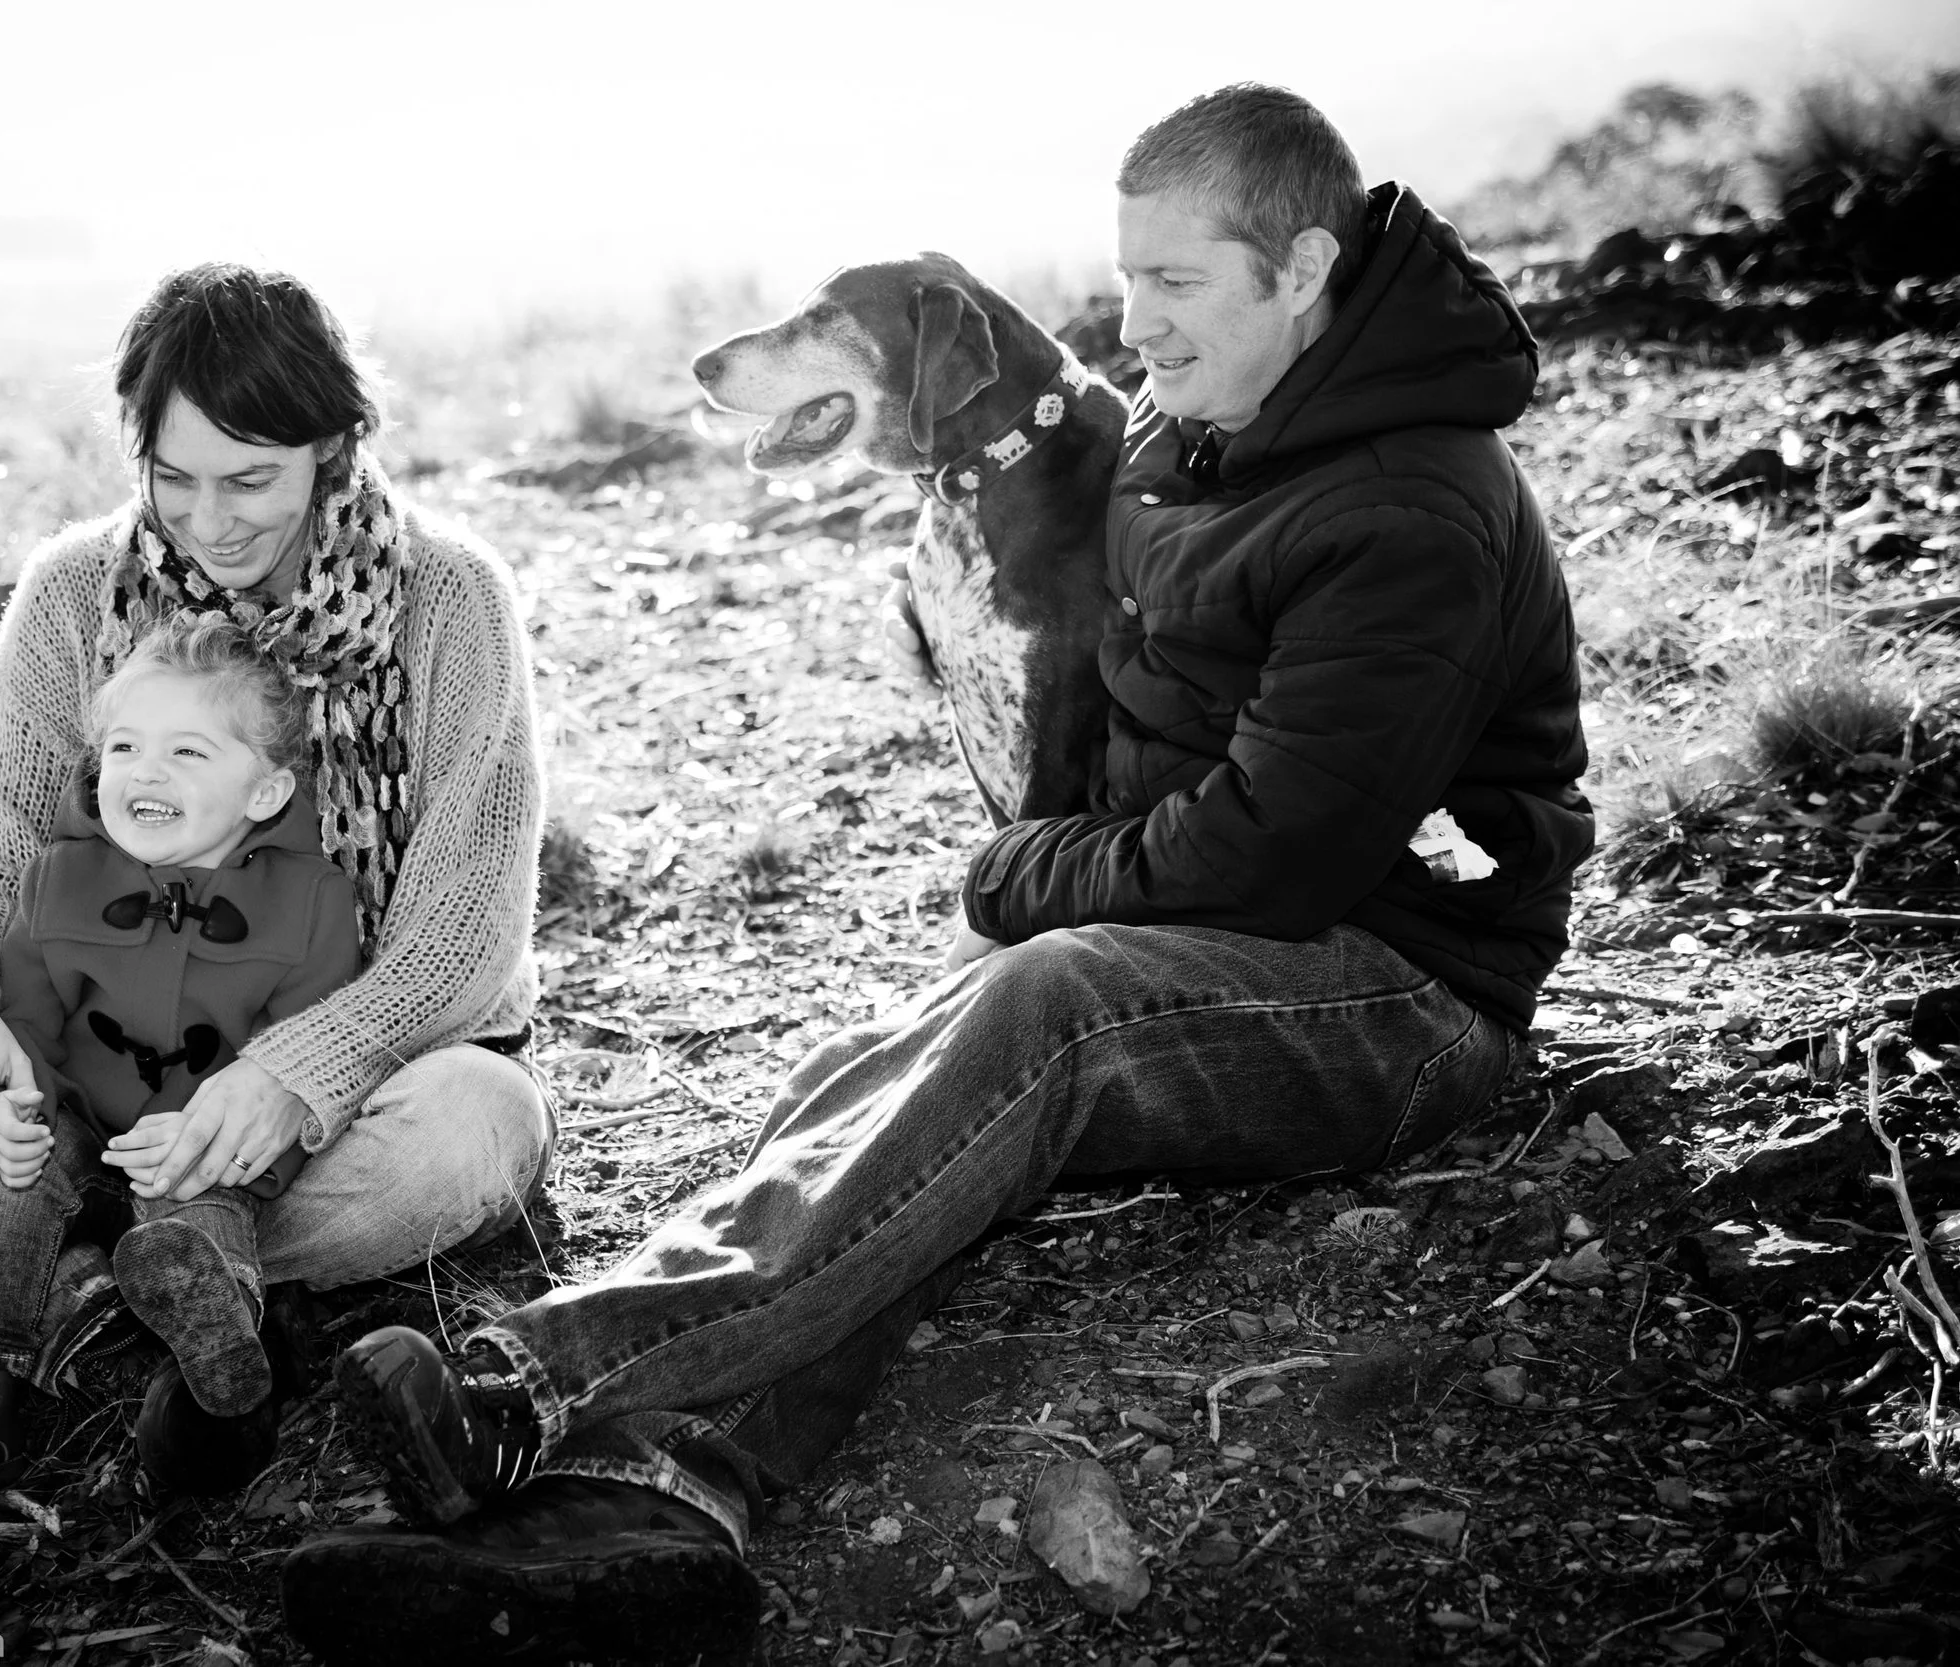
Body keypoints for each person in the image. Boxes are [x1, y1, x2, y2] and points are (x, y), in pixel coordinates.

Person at [277, 83, 1592, 1663]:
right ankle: (657, 1499)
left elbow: (1269, 856)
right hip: (1235, 934)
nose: (1137, 327)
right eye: (1128, 280)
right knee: (894, 1073)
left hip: (1404, 989)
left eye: (1177, 285)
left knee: (1038, 1006)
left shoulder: (1407, 507)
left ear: (1304, 266)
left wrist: (1022, 870)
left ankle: (537, 1380)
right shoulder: (1213, 423)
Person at [0, 262, 552, 1499]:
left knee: (479, 1128)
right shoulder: (73, 591)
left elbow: (461, 939)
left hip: (352, 1082)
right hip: (97, 1078)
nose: (210, 521)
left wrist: (293, 1075)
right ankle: (181, 1299)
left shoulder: (448, 599)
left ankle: (32, 1298)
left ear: (334, 446)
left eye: (253, 479)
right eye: (176, 477)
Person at [0, 613, 363, 1502]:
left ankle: (211, 1377)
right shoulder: (59, 877)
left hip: (197, 1141)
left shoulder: (313, 902)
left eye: (188, 753)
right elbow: (24, 1012)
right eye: (127, 747)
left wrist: (232, 1138)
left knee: (193, 1208)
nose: (145, 771)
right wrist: (17, 1105)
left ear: (264, 793)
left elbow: (309, 1045)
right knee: (10, 1181)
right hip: (76, 1120)